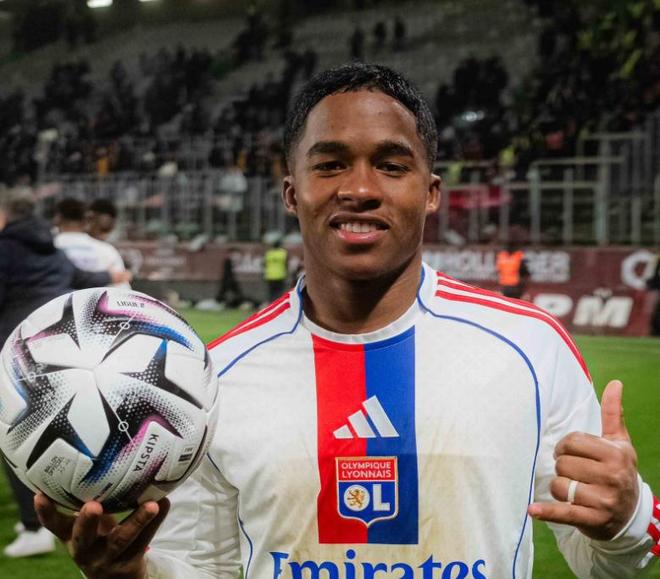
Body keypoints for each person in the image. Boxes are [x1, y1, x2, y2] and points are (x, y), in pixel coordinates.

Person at [37, 63, 659, 578]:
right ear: (291, 192)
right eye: (330, 164)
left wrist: (625, 518)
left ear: (431, 192)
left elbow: (607, 563)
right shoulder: (212, 379)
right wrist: (135, 575)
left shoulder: (529, 347)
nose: (359, 188)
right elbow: (208, 565)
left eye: (392, 165)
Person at [0, 188, 130, 558]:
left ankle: (34, 525)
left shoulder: (5, 250)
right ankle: (66, 505)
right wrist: (111, 274)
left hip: (18, 355)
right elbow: (81, 277)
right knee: (56, 431)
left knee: (15, 434)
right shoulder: (49, 249)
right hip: (64, 348)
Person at [54, 197, 131, 289]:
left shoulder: (47, 248)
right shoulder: (107, 251)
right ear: (86, 220)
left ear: (57, 219)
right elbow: (122, 290)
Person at [262, 236, 289, 303]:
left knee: (271, 292)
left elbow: (264, 264)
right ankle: (278, 303)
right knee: (279, 292)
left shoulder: (268, 253)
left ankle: (271, 303)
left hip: (269, 275)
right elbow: (286, 264)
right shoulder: (283, 253)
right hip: (280, 275)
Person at [647, 250, 660, 336]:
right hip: (656, 288)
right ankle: (655, 330)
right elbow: (651, 275)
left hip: (655, 288)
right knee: (654, 310)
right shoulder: (656, 259)